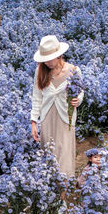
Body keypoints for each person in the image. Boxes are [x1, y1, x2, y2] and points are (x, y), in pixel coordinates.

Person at [30, 35, 84, 178]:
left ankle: (63, 194)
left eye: (49, 58)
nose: (46, 62)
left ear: (59, 55)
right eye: (44, 59)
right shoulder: (40, 71)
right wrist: (34, 122)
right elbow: (37, 98)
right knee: (48, 151)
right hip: (47, 117)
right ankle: (49, 189)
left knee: (64, 153)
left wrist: (77, 100)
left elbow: (80, 91)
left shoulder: (73, 71)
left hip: (65, 117)